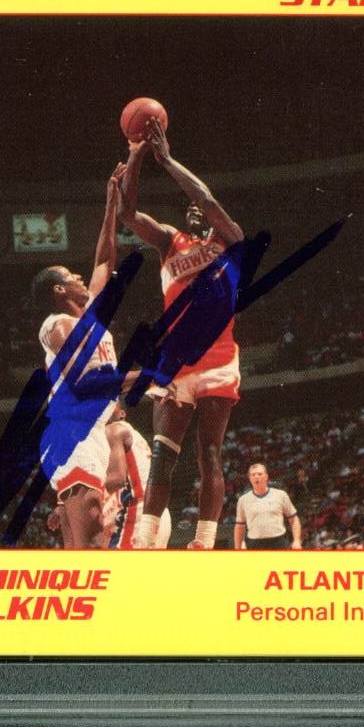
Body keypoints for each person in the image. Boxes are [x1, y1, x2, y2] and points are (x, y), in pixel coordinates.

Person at [118, 118, 243, 550]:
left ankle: (204, 541)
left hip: (218, 358)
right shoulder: (170, 242)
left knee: (209, 452)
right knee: (162, 456)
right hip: (176, 361)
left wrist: (167, 161)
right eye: (188, 208)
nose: (193, 209)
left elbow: (205, 197)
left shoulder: (231, 241)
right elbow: (128, 215)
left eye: (199, 208)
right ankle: (144, 539)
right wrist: (137, 156)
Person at [32, 162, 126, 549]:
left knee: (93, 542)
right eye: (72, 276)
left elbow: (104, 261)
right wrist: (144, 377)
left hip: (91, 431)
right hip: (73, 431)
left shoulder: (90, 320)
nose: (81, 278)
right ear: (59, 290)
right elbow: (84, 384)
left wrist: (111, 203)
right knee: (91, 541)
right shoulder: (57, 325)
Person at [103, 403, 172, 549]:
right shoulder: (133, 434)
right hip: (156, 511)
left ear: (122, 414)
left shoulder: (113, 429)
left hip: (137, 512)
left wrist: (74, 500)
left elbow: (116, 480)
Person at [234, 463, 302, 550]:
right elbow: (240, 526)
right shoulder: (243, 500)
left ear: (266, 476)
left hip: (278, 542)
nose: (256, 477)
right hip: (254, 544)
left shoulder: (281, 495)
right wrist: (237, 548)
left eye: (259, 474)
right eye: (253, 475)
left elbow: (294, 519)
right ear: (250, 478)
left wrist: (297, 540)